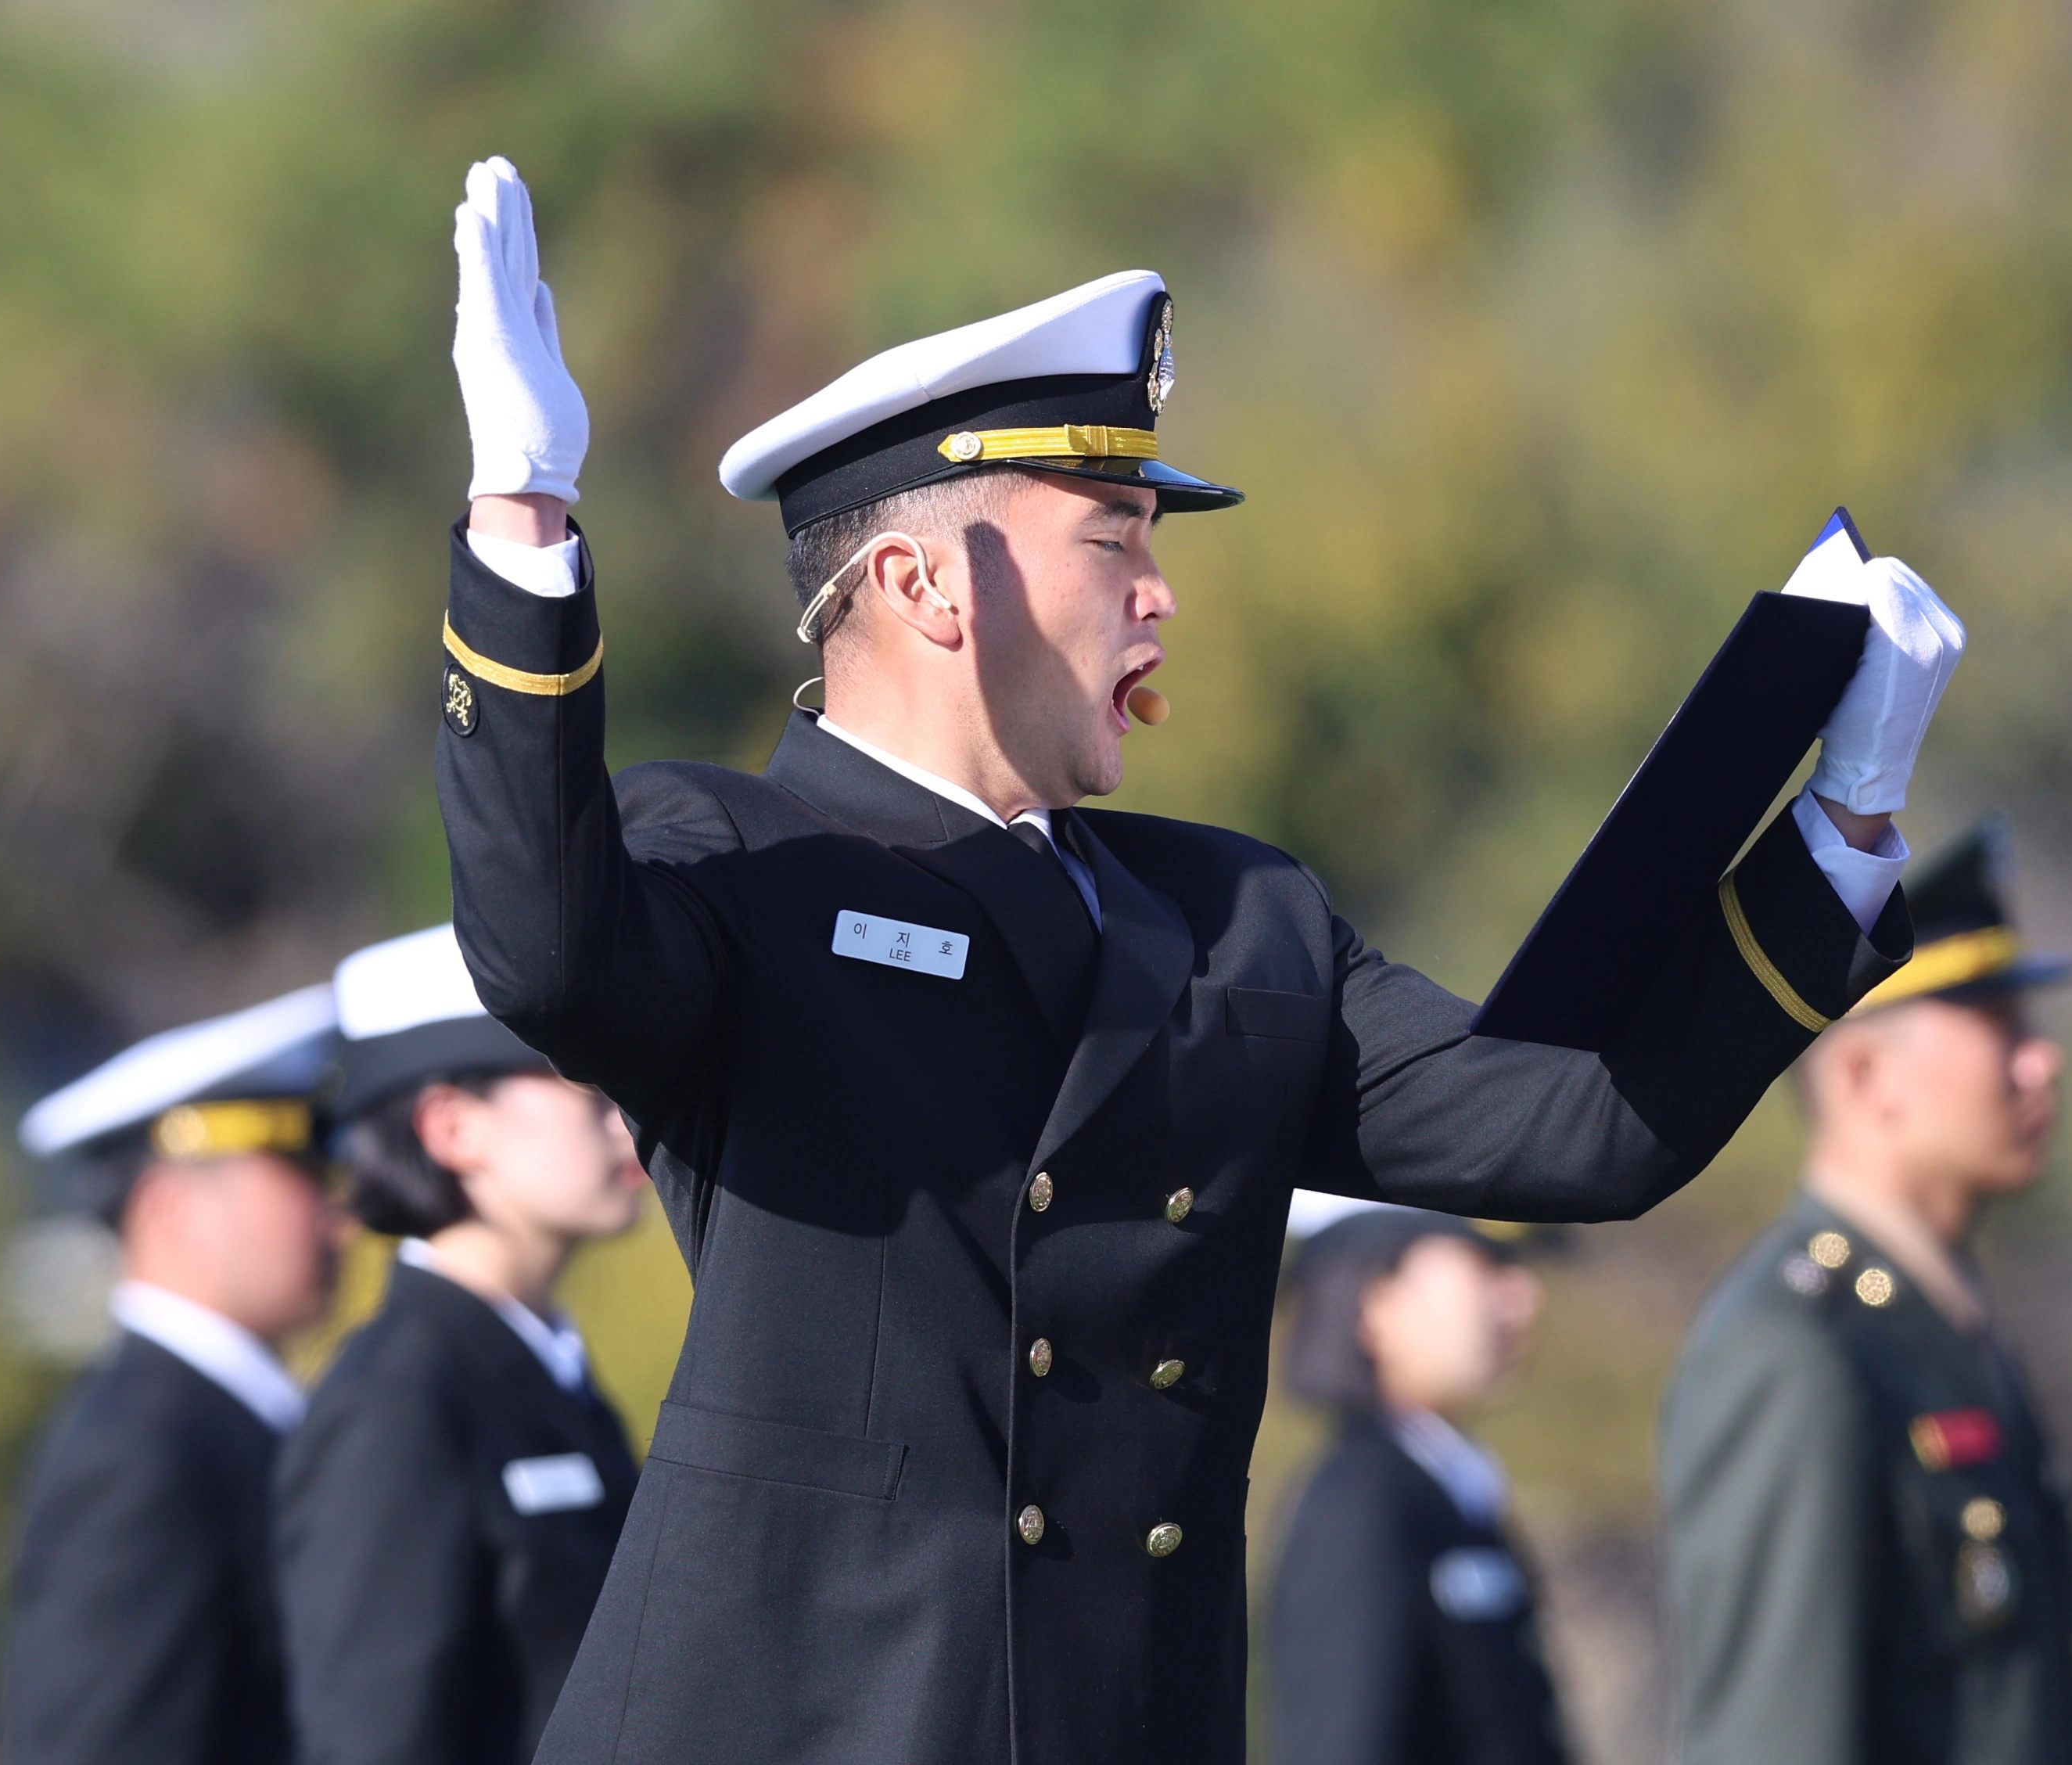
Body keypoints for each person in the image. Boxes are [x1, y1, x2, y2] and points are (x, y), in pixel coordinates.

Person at [429, 156, 1958, 1765]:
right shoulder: (736, 860)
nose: (1160, 597)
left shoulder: (1237, 916)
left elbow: (1578, 1128)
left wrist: (1837, 831)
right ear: (922, 583)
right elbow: (547, 952)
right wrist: (525, 524)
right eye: (1113, 540)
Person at [1659, 818, 2072, 1765]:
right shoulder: (1792, 1352)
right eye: (1996, 1025)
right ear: (1865, 1076)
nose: (2043, 1059)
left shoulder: (1937, 1324)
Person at [273, 925, 646, 1765]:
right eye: (586, 1089)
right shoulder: (395, 1404)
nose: (630, 1124)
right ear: (451, 1128)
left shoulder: (538, 1368)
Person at [5, 987, 344, 1765]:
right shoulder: (139, 1458)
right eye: (299, 1175)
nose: (339, 1215)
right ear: (169, 1208)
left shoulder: (213, 1421)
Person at [1269, 1205, 1567, 1765]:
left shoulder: (1445, 1484)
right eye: (1488, 1265)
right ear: (1377, 1304)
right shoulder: (1357, 1508)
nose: (1525, 1297)